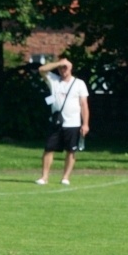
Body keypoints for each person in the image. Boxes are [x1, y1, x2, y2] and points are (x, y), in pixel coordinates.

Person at [37, 58, 89, 186]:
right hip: (56, 122)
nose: (63, 70)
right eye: (61, 68)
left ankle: (65, 177)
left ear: (71, 68)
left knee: (71, 151)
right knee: (49, 149)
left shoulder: (79, 83)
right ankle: (44, 177)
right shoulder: (54, 80)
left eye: (65, 68)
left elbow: (84, 105)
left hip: (73, 123)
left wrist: (85, 123)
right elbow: (41, 69)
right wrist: (59, 63)